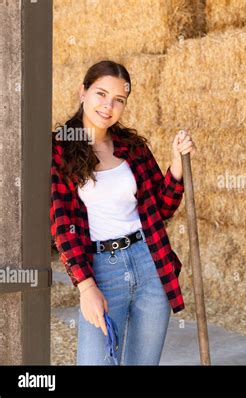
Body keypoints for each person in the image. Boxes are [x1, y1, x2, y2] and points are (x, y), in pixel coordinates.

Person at [50, 60, 196, 365]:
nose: (108, 106)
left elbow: (162, 207)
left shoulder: (132, 146)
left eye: (119, 100)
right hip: (102, 271)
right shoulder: (59, 149)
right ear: (83, 91)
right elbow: (63, 226)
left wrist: (177, 166)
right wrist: (86, 286)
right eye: (101, 94)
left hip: (149, 264)